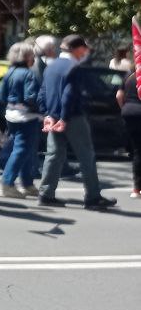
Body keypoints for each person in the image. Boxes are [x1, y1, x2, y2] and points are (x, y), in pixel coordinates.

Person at [38, 34, 116, 210]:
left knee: (54, 155)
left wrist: (48, 115)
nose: (86, 52)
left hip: (54, 117)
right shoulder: (74, 67)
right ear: (78, 48)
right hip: (72, 117)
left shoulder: (51, 67)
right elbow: (69, 94)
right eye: (84, 48)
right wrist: (64, 118)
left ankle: (46, 193)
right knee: (86, 156)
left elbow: (42, 93)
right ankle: (93, 196)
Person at [0, 41, 41, 199]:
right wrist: (42, 107)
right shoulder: (28, 74)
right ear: (27, 56)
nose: (34, 58)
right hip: (26, 116)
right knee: (22, 150)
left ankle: (27, 183)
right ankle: (7, 183)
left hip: (11, 114)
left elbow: (0, 95)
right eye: (33, 55)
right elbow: (31, 97)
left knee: (25, 149)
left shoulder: (10, 72)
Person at [116, 66, 141, 199]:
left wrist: (124, 108)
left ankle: (136, 189)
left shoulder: (130, 74)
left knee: (137, 151)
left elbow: (119, 95)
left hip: (129, 112)